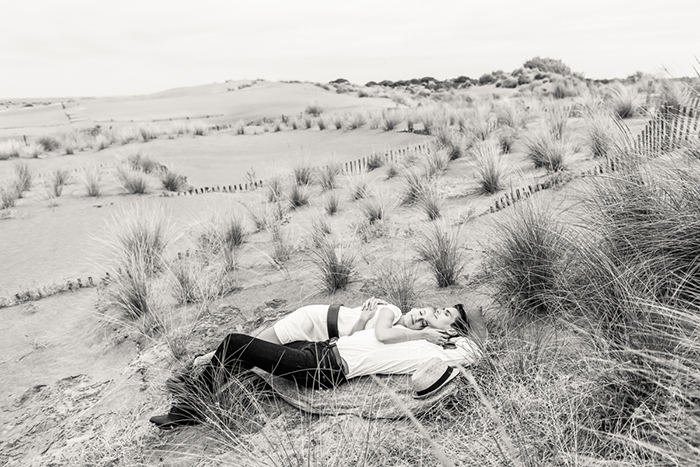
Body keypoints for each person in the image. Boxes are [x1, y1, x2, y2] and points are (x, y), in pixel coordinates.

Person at [150, 304, 483, 430]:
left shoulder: (432, 346)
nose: (435, 314)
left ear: (452, 332)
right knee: (245, 356)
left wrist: (441, 334)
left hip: (323, 367)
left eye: (447, 317)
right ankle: (205, 388)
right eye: (440, 309)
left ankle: (190, 408)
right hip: (321, 348)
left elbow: (475, 349)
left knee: (236, 342)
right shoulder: (410, 330)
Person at [255, 298, 453, 346]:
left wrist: (363, 319)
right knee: (254, 345)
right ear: (414, 308)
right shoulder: (392, 311)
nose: (417, 318)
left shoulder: (399, 333)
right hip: (316, 320)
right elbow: (381, 335)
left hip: (324, 333)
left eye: (422, 323)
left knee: (258, 345)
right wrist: (423, 333)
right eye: (420, 312)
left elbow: (350, 340)